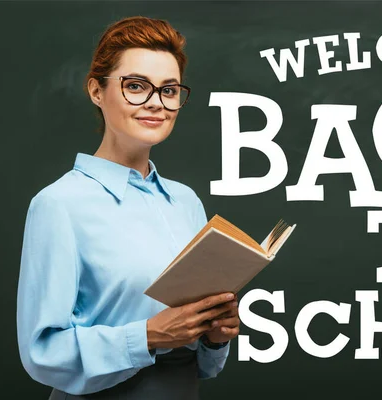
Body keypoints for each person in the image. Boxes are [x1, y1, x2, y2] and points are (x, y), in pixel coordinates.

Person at [16, 16, 240, 399]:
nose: (156, 102)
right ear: (96, 91)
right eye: (136, 86)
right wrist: (148, 335)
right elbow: (41, 354)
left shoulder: (187, 202)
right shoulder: (58, 204)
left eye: (169, 90)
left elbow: (203, 365)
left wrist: (215, 337)